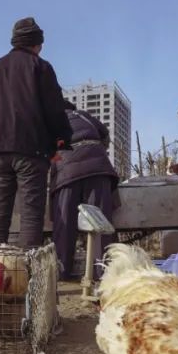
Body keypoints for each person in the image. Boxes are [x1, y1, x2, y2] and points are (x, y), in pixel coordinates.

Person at [0, 17, 72, 248]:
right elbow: (54, 109)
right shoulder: (40, 67)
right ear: (36, 44)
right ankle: (28, 276)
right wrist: (62, 139)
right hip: (31, 149)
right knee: (31, 212)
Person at [50, 101, 119, 280]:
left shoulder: (51, 118)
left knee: (64, 221)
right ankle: (102, 272)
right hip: (98, 166)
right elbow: (105, 135)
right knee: (100, 220)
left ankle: (61, 271)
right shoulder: (84, 115)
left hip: (67, 170)